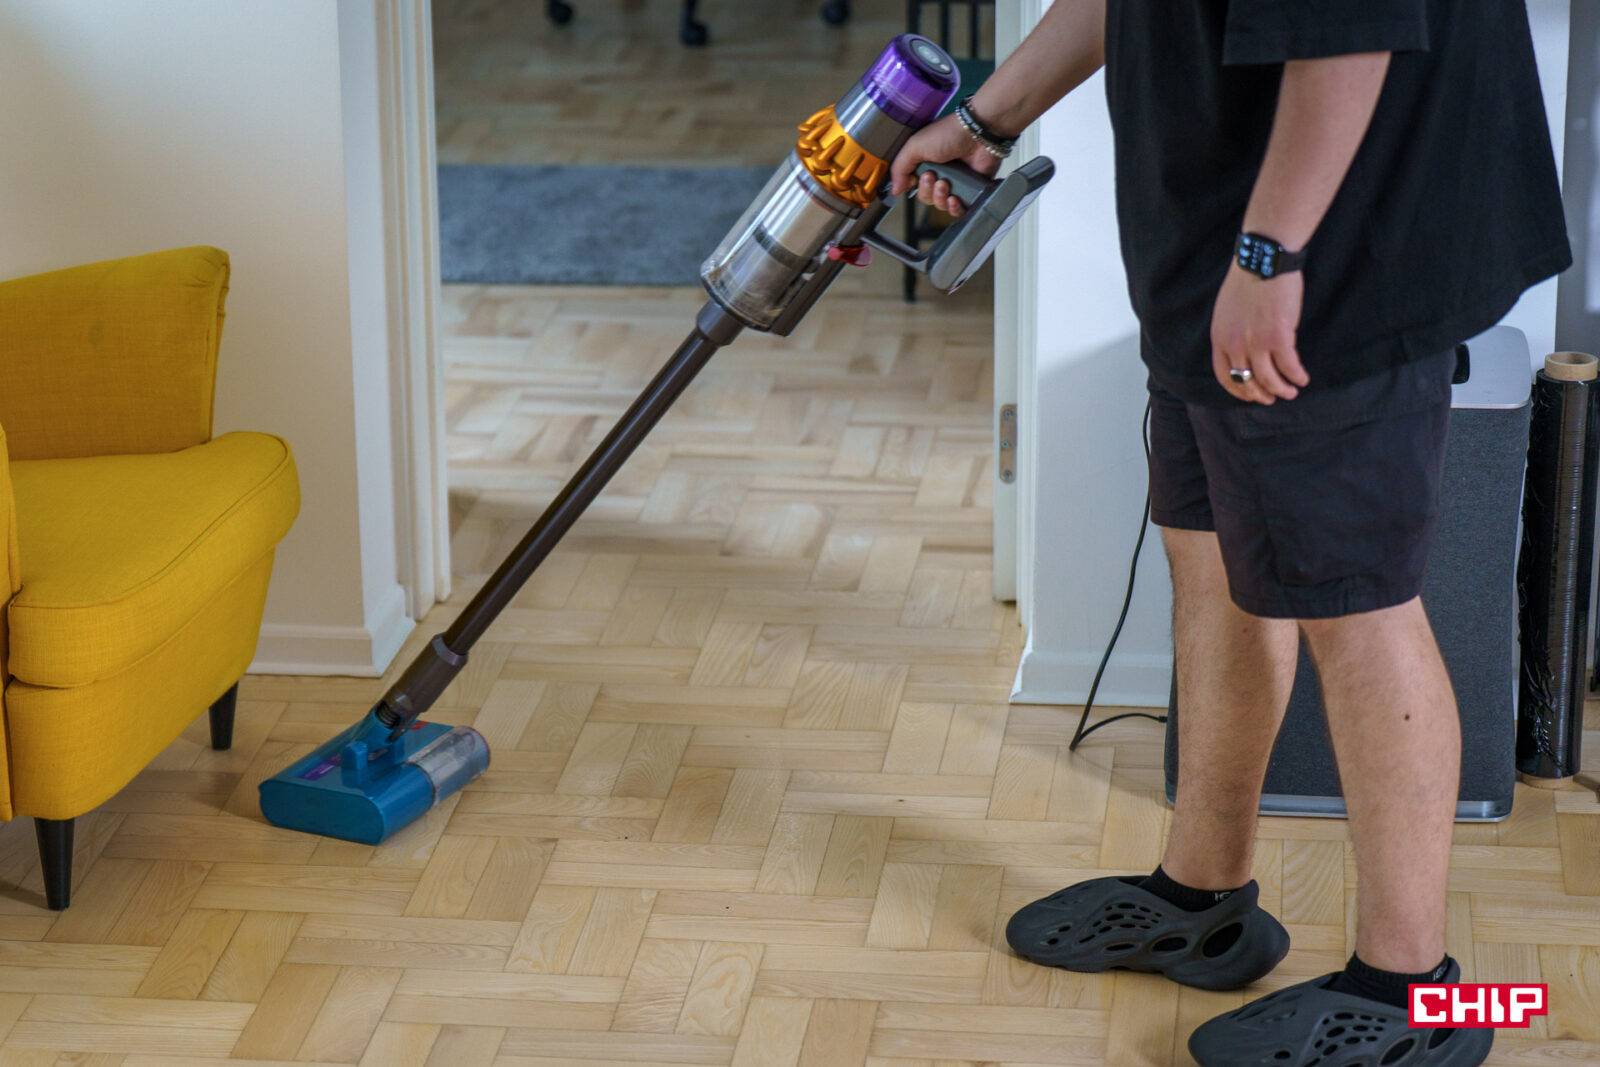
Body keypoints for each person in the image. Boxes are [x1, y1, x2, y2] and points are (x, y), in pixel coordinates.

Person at [890, 2, 1570, 1064]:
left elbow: (1351, 25)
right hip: (1218, 240)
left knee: (1358, 603)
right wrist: (987, 118)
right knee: (1205, 549)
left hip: (1330, 259)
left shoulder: (1289, 256)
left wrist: (1268, 256)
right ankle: (1202, 896)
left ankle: (1415, 993)